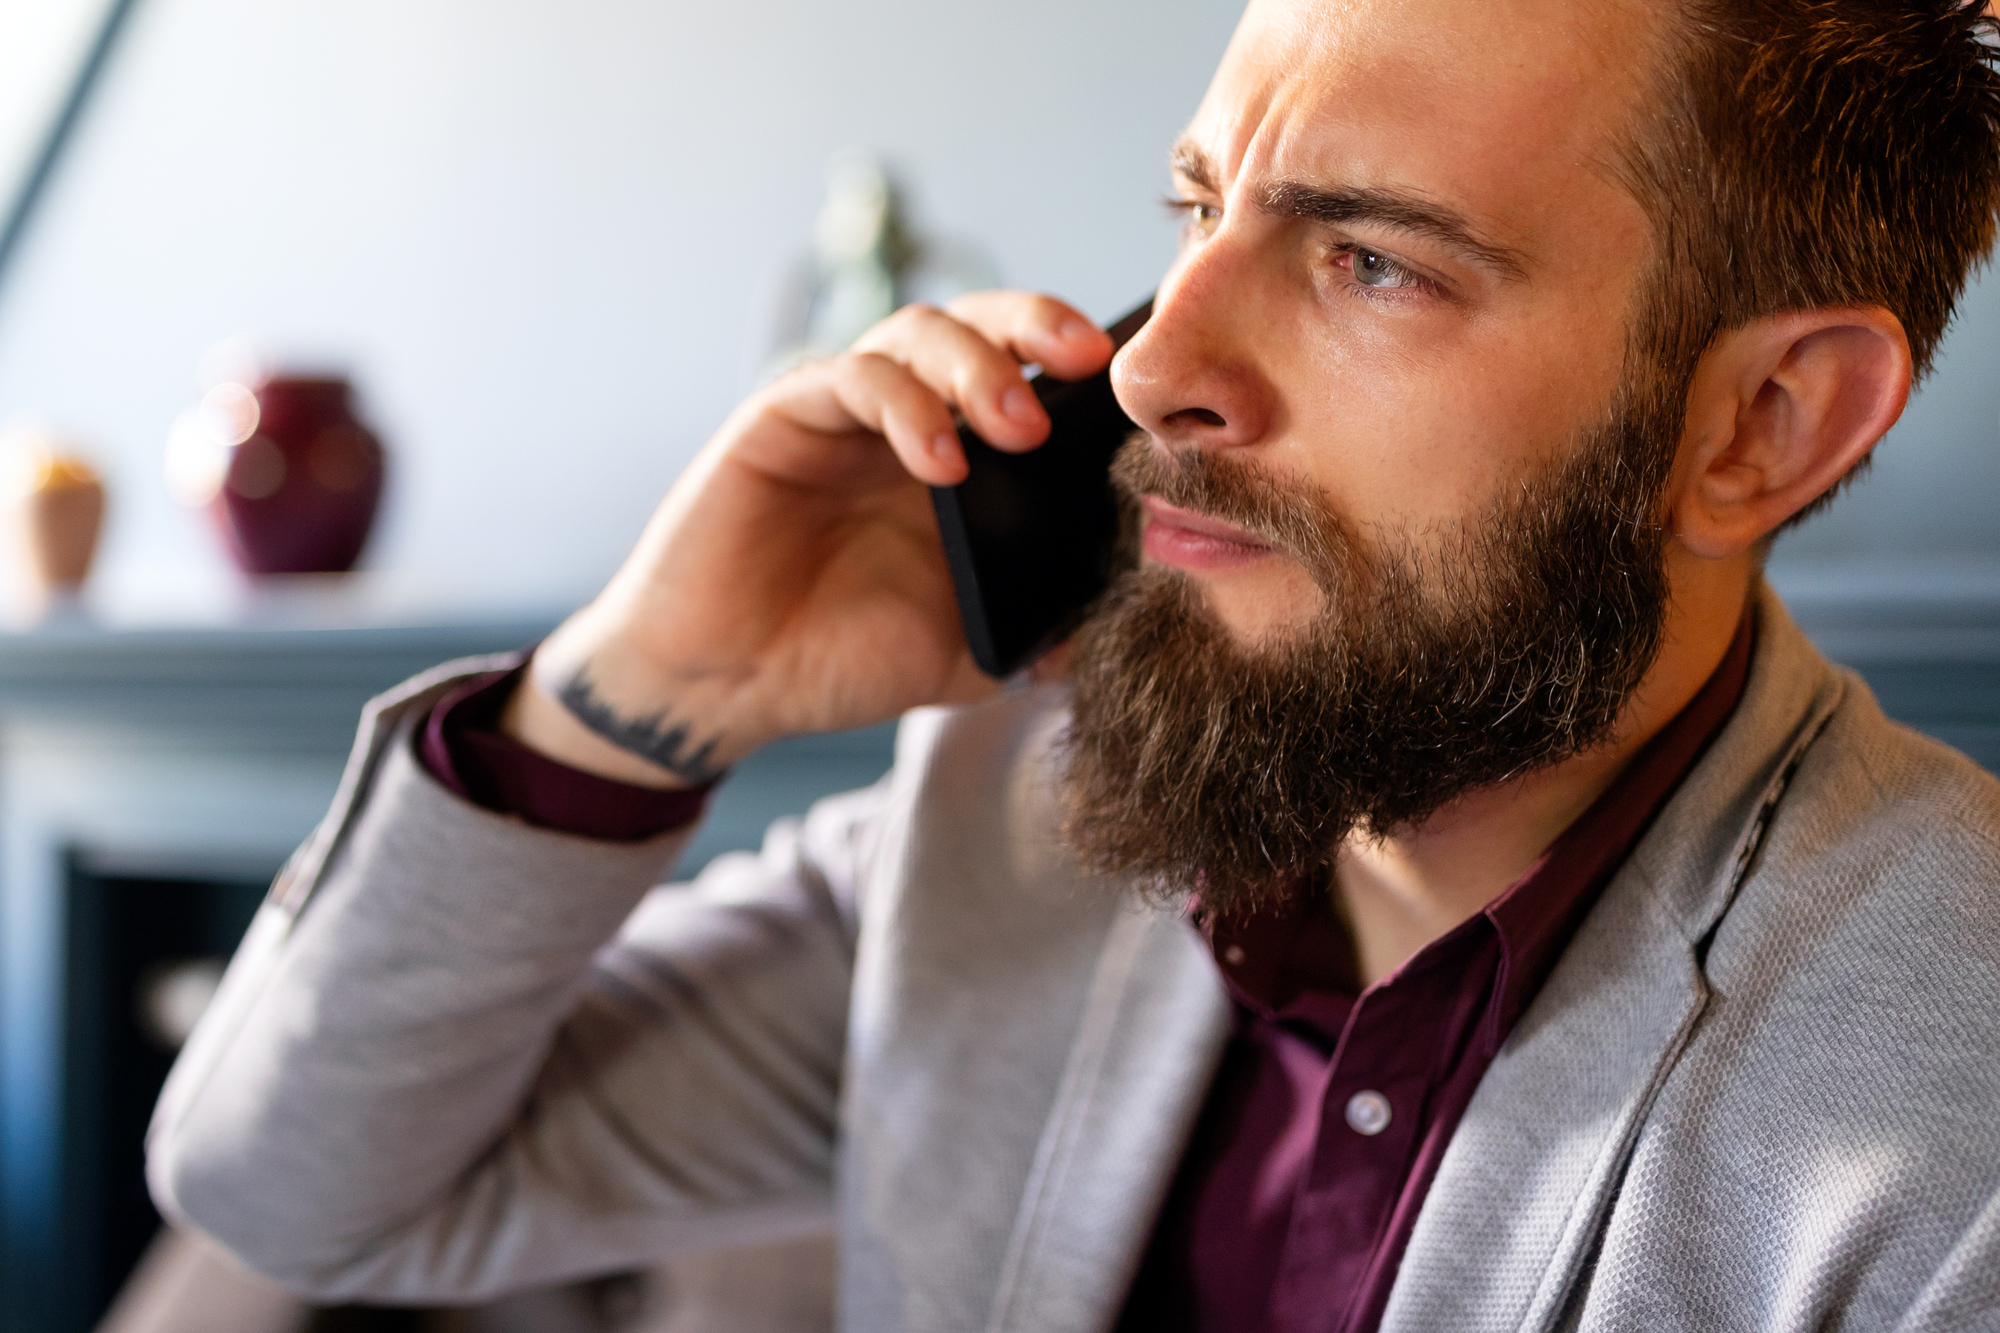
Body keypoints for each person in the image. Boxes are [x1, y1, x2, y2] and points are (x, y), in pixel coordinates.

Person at [148, 0, 2000, 1328]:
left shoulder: (1957, 1142)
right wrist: (642, 689)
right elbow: (290, 1191)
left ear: (1765, 422)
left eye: (1370, 261)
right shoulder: (1014, 824)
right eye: (1200, 214)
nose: (1147, 365)